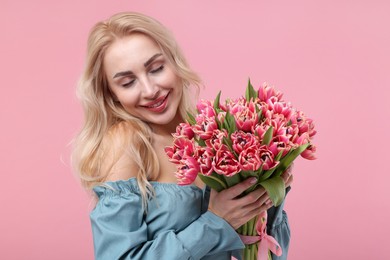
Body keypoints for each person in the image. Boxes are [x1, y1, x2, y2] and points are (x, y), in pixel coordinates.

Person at [72, 12, 293, 260]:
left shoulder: (211, 135)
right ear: (112, 95)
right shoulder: (127, 143)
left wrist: (268, 192)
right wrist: (215, 221)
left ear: (174, 62)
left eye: (156, 68)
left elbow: (267, 254)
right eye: (127, 82)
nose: (150, 90)